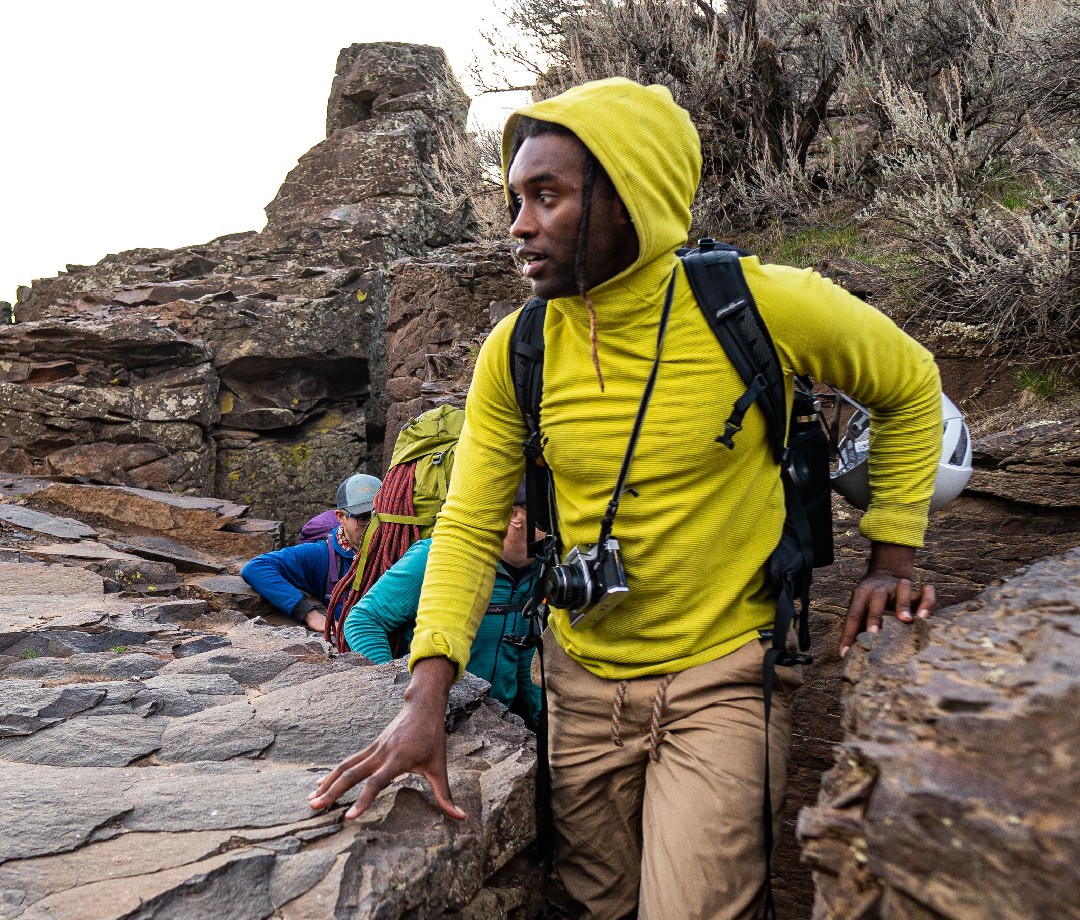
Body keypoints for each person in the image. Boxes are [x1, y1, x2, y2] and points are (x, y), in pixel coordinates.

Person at [310, 77, 942, 919]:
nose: (518, 225)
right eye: (514, 199)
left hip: (725, 676)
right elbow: (464, 526)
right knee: (594, 905)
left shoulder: (758, 305)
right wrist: (425, 697)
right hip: (579, 680)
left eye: (547, 196)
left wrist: (890, 555)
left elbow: (911, 383)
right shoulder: (519, 348)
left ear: (627, 198)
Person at [343, 482, 542, 726]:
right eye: (548, 514)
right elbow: (363, 621)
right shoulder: (436, 557)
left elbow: (524, 654)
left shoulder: (539, 570)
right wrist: (398, 701)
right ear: (514, 515)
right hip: (433, 720)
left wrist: (541, 722)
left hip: (498, 723)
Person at [242, 473, 382, 633]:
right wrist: (309, 614)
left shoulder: (401, 549)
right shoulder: (321, 556)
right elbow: (257, 568)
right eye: (363, 517)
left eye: (377, 516)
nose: (373, 525)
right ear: (341, 517)